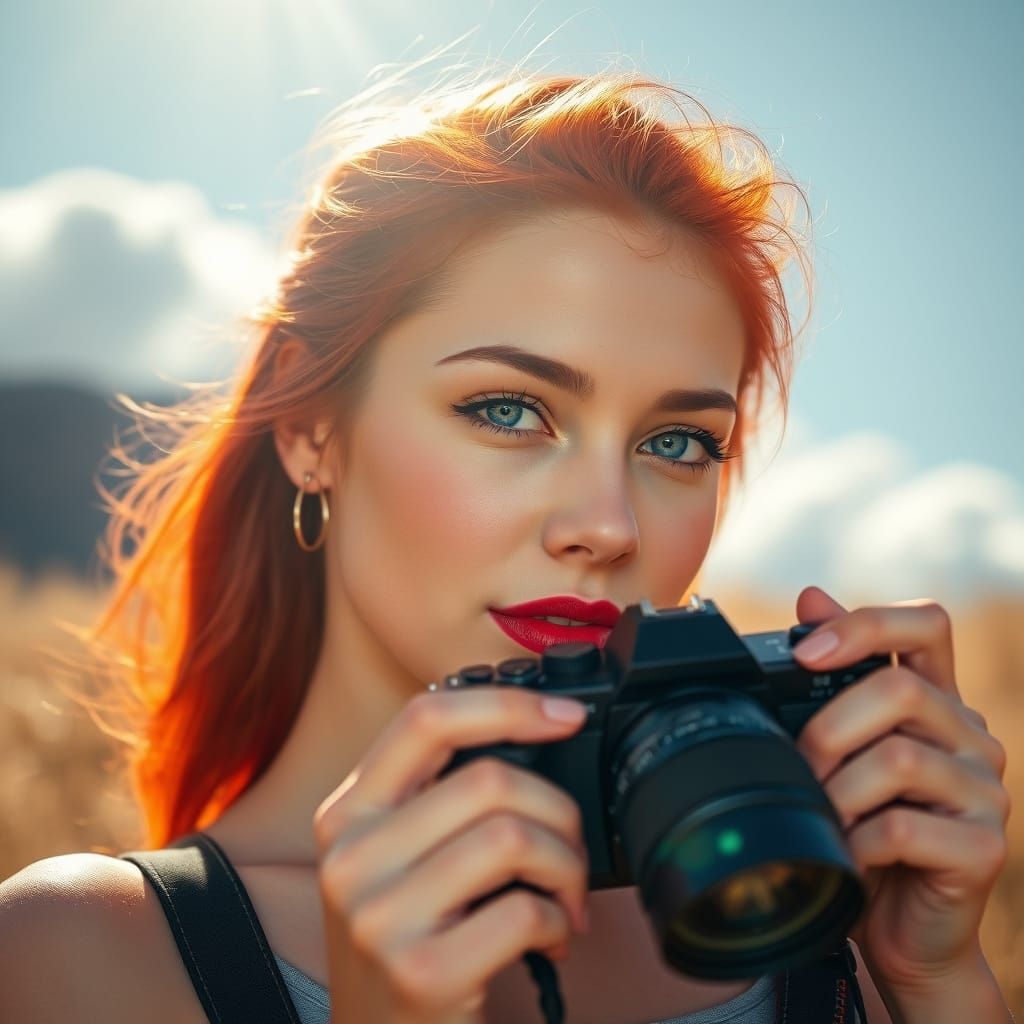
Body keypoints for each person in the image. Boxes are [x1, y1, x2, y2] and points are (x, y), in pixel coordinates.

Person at [0, 61, 1013, 1024]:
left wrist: (938, 981)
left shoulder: (809, 911)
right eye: (506, 410)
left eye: (676, 442)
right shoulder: (78, 958)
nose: (606, 525)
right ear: (311, 429)